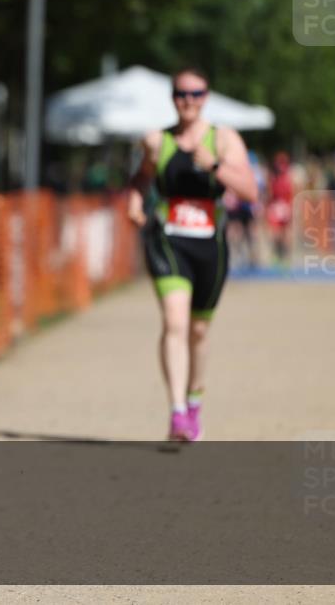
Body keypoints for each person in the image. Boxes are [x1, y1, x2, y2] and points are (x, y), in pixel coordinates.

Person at [128, 67, 258, 441]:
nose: (189, 101)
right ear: (173, 98)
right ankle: (177, 412)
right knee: (175, 323)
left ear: (206, 96)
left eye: (196, 94)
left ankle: (194, 399)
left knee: (199, 330)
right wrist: (136, 202)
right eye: (182, 94)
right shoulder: (157, 142)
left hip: (209, 245)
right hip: (168, 240)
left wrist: (214, 166)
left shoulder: (224, 140)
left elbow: (249, 190)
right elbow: (142, 177)